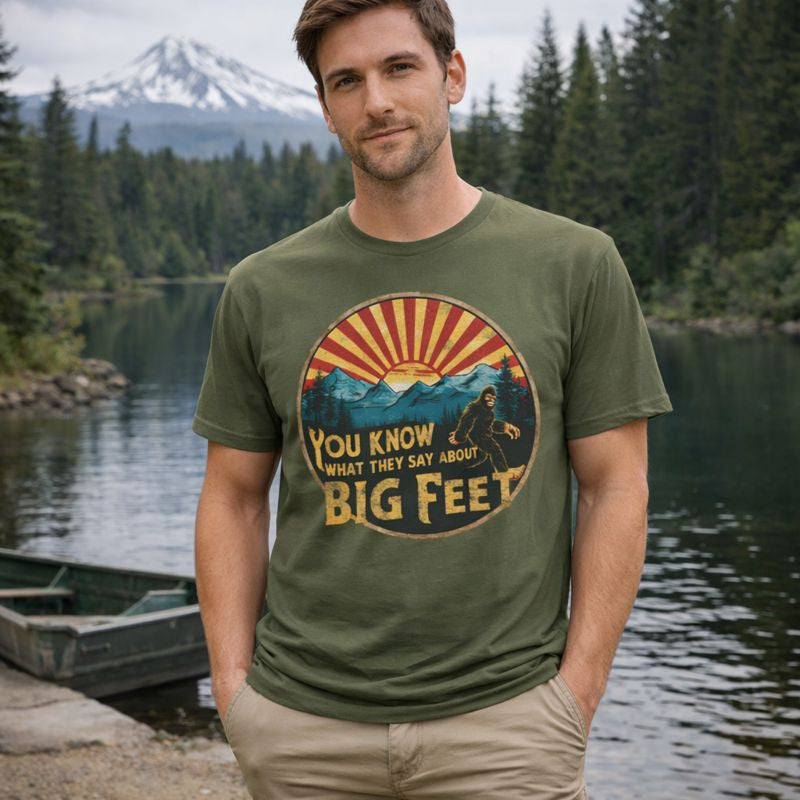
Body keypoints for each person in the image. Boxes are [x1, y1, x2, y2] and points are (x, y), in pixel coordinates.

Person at [192, 1, 672, 797]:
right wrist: (234, 689)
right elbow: (234, 498)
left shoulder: (575, 263)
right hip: (301, 728)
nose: (376, 101)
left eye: (399, 68)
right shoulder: (262, 287)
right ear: (325, 107)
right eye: (346, 81)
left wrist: (575, 694)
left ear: (452, 76)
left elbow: (615, 485)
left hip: (508, 728)